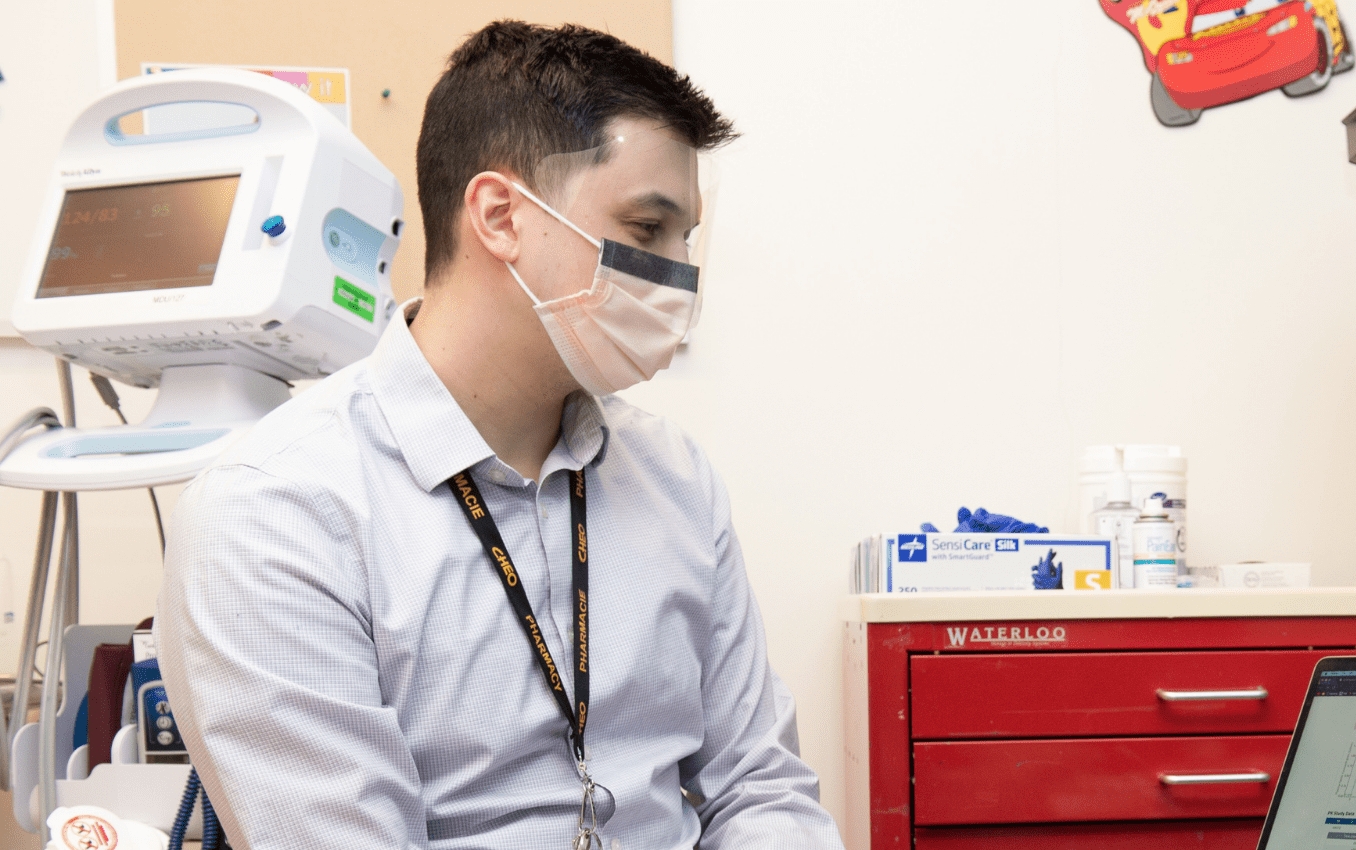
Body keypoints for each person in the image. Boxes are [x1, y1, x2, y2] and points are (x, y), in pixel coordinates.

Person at [157, 21, 842, 848]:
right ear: (499, 215)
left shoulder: (674, 476)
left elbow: (759, 787)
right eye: (646, 229)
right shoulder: (275, 513)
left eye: (687, 238)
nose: (679, 277)